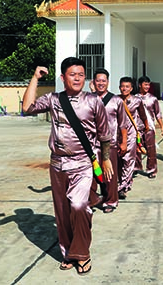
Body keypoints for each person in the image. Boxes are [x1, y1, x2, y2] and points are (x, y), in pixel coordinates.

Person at [22, 57, 110, 275]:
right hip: (57, 164)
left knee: (79, 206)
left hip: (82, 164)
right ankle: (69, 253)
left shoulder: (93, 102)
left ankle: (82, 253)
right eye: (73, 74)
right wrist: (35, 78)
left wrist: (106, 158)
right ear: (63, 78)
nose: (78, 78)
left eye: (81, 74)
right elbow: (27, 107)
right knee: (62, 212)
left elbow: (105, 134)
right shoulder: (53, 99)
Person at [92, 68, 128, 213]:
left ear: (108, 82)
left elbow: (123, 124)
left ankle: (111, 200)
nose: (101, 83)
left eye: (103, 80)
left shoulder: (116, 101)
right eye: (98, 80)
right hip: (92, 144)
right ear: (93, 82)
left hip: (111, 143)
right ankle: (92, 199)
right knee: (92, 174)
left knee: (109, 174)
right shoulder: (88, 99)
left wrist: (124, 141)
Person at [116, 76, 149, 200]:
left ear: (131, 88)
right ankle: (121, 182)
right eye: (122, 86)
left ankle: (123, 187)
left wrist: (146, 126)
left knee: (128, 160)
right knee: (118, 161)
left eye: (127, 87)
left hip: (130, 135)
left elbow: (142, 114)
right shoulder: (115, 99)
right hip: (117, 135)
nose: (124, 89)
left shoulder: (136, 101)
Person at [135, 76, 163, 179]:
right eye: (145, 84)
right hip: (137, 128)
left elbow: (158, 113)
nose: (147, 86)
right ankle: (136, 168)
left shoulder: (153, 99)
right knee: (136, 149)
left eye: (148, 84)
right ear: (140, 85)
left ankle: (151, 170)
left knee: (151, 150)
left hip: (149, 128)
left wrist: (162, 126)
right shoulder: (134, 98)